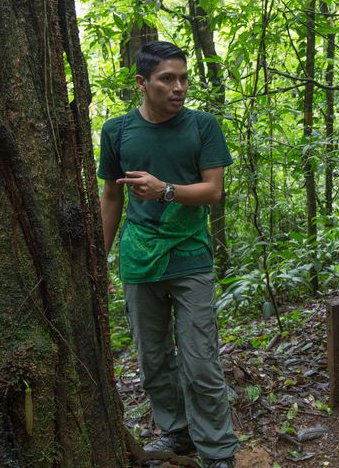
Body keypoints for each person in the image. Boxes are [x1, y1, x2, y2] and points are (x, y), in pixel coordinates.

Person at [98, 41, 238, 468]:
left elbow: (213, 192)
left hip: (190, 255)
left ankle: (218, 451)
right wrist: (97, 263)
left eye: (183, 78)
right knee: (153, 358)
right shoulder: (117, 131)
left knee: (200, 361)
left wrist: (166, 190)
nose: (178, 87)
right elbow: (111, 198)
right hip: (138, 259)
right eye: (167, 79)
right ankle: (177, 434)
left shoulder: (202, 126)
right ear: (142, 83)